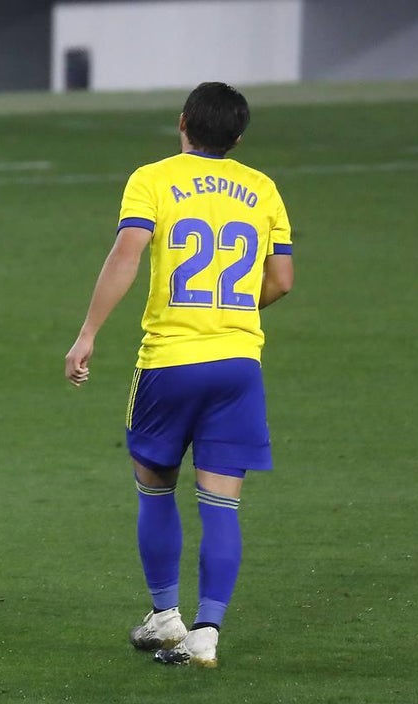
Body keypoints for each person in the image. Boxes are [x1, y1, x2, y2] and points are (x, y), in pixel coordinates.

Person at [64, 82, 294, 668]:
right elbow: (283, 279)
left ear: (183, 121)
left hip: (170, 362)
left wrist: (88, 333)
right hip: (239, 365)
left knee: (155, 486)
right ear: (238, 137)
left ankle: (165, 616)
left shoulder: (153, 178)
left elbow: (127, 254)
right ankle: (207, 632)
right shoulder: (263, 189)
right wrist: (233, 311)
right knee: (221, 503)